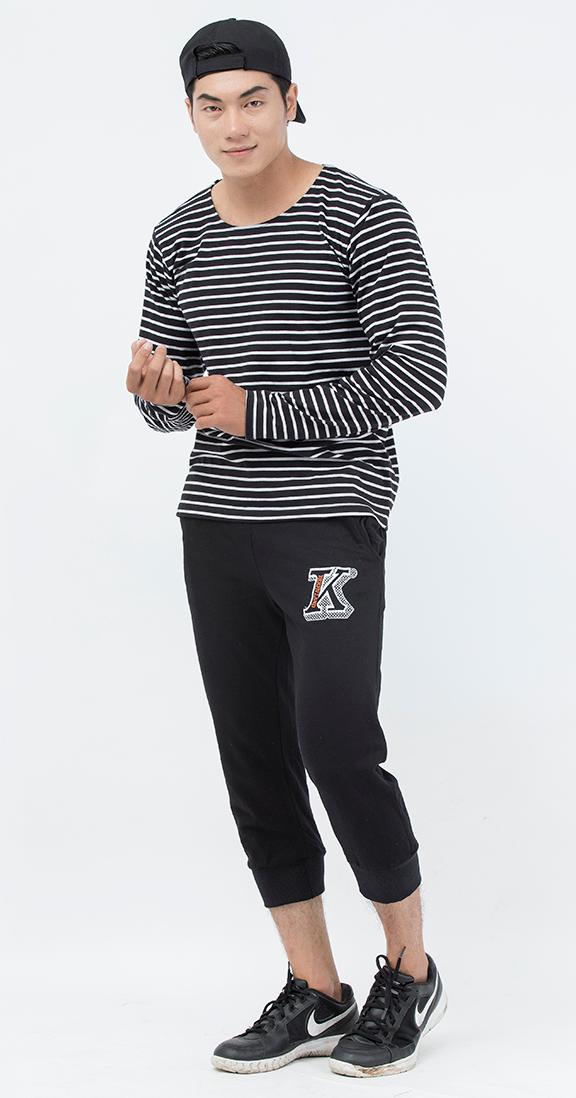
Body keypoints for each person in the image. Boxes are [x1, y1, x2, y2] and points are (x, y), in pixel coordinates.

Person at [126, 17, 449, 1079]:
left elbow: (418, 373)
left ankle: (409, 968)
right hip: (217, 525)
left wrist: (257, 410)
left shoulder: (363, 214)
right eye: (211, 106)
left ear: (291, 99)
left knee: (336, 741)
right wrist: (156, 395)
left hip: (326, 519)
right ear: (189, 114)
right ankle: (314, 989)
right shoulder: (177, 235)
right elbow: (179, 403)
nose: (234, 125)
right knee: (254, 758)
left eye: (253, 100)